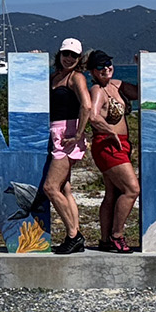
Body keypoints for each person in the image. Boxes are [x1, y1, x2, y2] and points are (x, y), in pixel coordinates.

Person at [85, 50, 140, 252]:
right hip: (108, 145)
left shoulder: (117, 85)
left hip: (122, 145)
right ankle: (117, 235)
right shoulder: (97, 90)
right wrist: (110, 131)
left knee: (112, 193)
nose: (106, 68)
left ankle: (105, 239)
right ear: (92, 72)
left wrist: (140, 65)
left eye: (108, 64)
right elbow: (93, 116)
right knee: (132, 189)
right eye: (100, 66)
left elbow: (143, 92)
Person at [43, 37, 92, 254]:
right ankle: (75, 233)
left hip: (67, 136)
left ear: (79, 58)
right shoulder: (55, 77)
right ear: (59, 54)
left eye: (73, 55)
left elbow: (87, 105)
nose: (68, 58)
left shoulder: (76, 77)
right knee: (65, 188)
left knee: (50, 188)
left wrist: (79, 133)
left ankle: (74, 235)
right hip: (55, 132)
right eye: (65, 54)